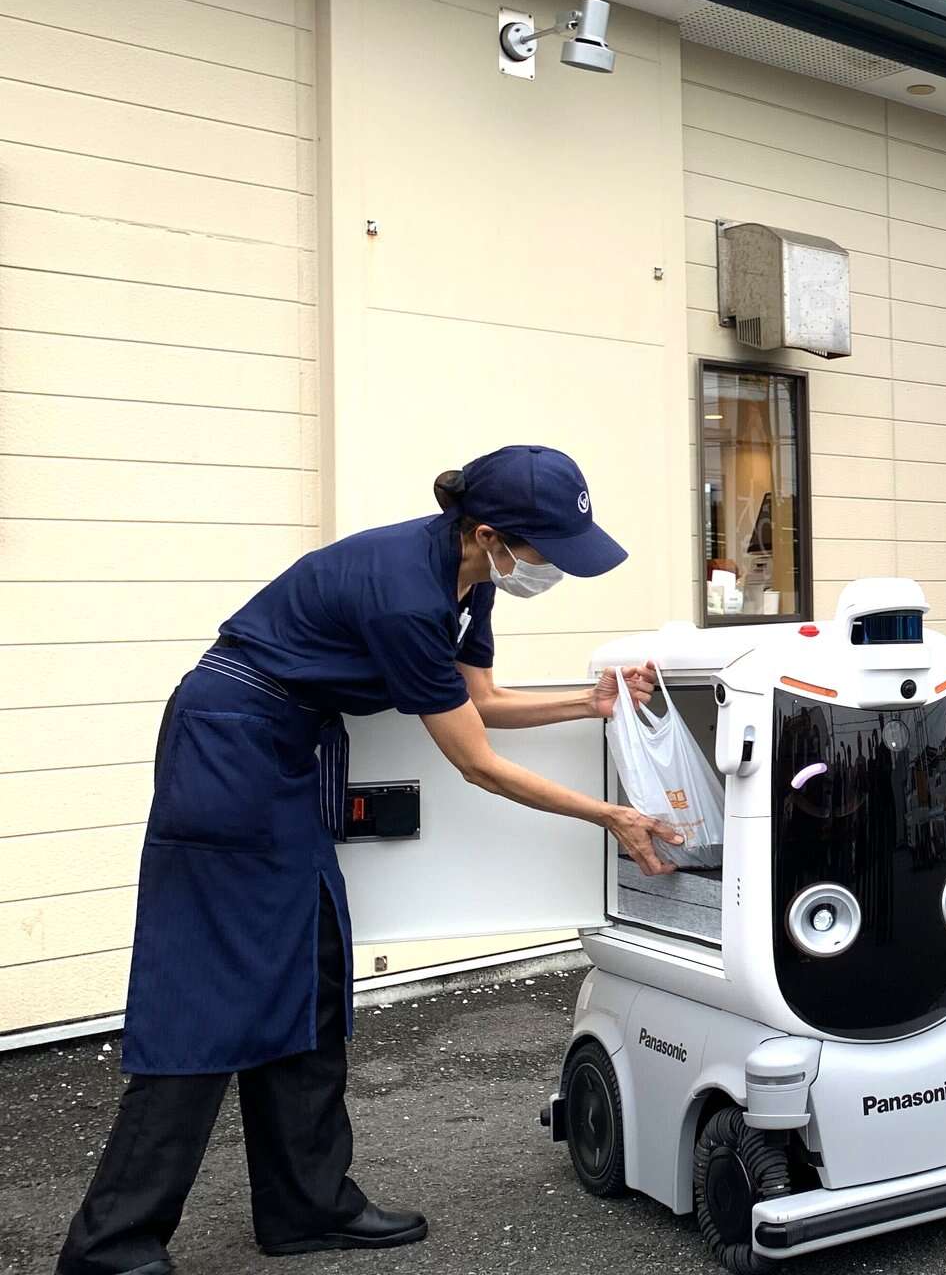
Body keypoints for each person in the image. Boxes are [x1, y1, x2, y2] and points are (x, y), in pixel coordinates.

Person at [57, 446, 681, 1275]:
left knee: (311, 972)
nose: (554, 565)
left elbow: (482, 703)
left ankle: (304, 1203)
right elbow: (476, 761)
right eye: (547, 548)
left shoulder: (471, 583)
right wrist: (609, 816)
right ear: (489, 533)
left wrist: (590, 702)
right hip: (230, 746)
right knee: (209, 990)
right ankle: (113, 1245)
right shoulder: (404, 596)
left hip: (284, 745)